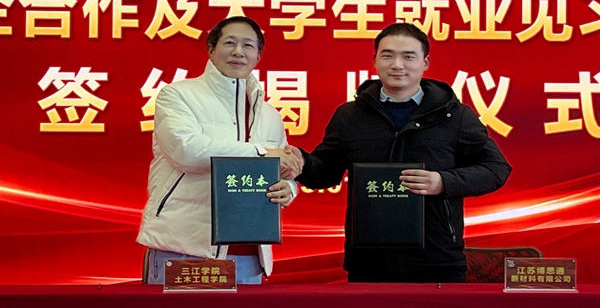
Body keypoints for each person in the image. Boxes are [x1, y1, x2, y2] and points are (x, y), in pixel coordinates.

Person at [292, 22, 512, 283]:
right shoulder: (350, 115)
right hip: (368, 260)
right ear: (375, 60)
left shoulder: (455, 115)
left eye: (408, 56)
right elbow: (326, 172)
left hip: (437, 259)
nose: (397, 65)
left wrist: (443, 182)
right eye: (388, 55)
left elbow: (496, 169)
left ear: (425, 62)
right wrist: (302, 162)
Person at [137, 16, 301, 285]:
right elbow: (187, 151)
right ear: (211, 50)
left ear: (258, 55)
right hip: (185, 248)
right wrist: (262, 152)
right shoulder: (178, 95)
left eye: (248, 45)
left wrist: (289, 189)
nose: (238, 51)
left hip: (251, 255)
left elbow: (282, 170)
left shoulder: (270, 114)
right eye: (230, 43)